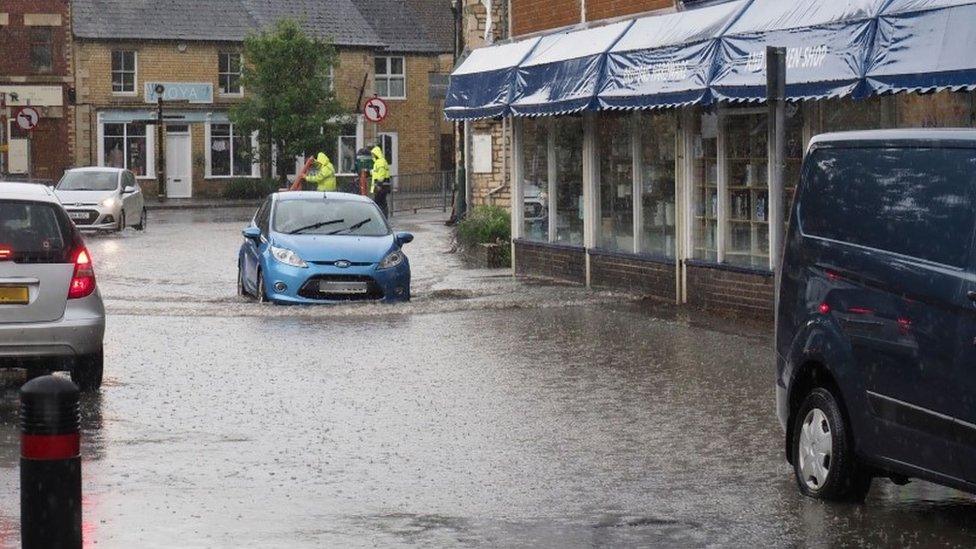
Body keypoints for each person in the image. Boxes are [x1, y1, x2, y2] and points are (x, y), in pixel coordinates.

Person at [370, 145, 392, 217]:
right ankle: (384, 217)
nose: (372, 156)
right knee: (382, 202)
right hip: (383, 186)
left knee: (378, 203)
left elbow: (381, 174)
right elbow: (377, 172)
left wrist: (379, 184)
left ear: (376, 154)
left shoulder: (380, 162)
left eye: (373, 154)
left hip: (380, 186)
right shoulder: (381, 161)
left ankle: (380, 217)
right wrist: (371, 172)